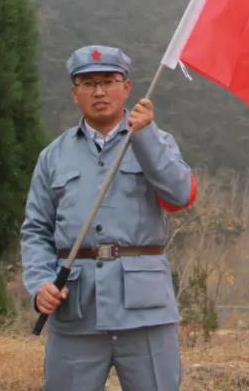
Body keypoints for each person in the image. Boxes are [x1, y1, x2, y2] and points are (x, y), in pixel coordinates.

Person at [21, 45, 198, 391]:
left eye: (108, 81)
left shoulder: (158, 141)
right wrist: (40, 283)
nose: (99, 91)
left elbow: (180, 195)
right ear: (75, 93)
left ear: (126, 87)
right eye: (88, 84)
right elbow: (36, 230)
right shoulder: (53, 156)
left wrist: (145, 135)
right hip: (76, 311)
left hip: (145, 311)